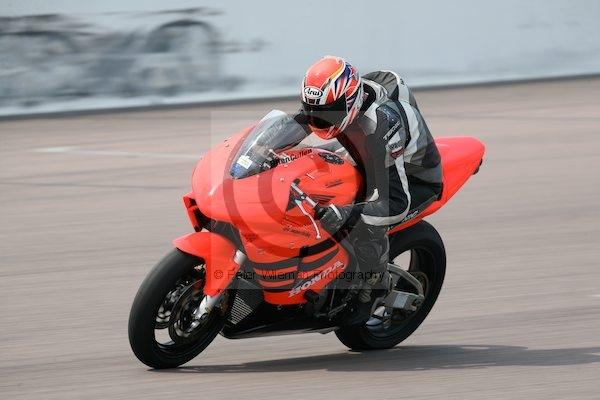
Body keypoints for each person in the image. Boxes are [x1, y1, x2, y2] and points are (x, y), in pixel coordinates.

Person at [294, 55, 443, 325]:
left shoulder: (382, 126)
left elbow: (397, 203)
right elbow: (299, 123)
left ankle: (369, 290)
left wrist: (347, 214)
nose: (318, 118)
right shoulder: (333, 104)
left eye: (328, 111)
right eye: (312, 108)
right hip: (368, 159)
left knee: (360, 226)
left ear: (350, 101)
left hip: (412, 179)